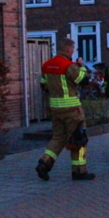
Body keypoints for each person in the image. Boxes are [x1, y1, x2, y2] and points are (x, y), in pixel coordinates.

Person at [35, 38, 95, 181]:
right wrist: (81, 66)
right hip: (72, 109)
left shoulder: (47, 65)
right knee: (78, 139)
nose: (73, 52)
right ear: (68, 50)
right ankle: (79, 171)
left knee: (58, 138)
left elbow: (43, 86)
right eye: (73, 50)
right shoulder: (69, 66)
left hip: (55, 109)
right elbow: (84, 80)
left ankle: (44, 162)